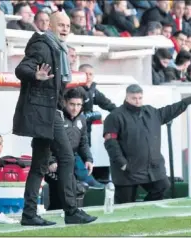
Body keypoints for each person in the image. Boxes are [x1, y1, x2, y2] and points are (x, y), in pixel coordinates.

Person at [12, 11, 97, 226]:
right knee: (67, 158)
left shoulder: (58, 48)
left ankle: (29, 214)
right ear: (50, 25)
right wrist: (35, 75)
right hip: (47, 114)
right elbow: (21, 68)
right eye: (61, 24)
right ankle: (71, 210)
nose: (66, 28)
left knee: (39, 165)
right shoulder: (43, 45)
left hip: (48, 112)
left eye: (68, 25)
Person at [103, 84, 191, 204]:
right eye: (134, 98)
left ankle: (144, 211)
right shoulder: (115, 116)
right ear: (127, 97)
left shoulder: (150, 112)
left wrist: (187, 101)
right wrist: (122, 163)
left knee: (162, 186)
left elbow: (169, 111)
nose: (137, 101)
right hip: (126, 170)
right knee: (125, 204)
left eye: (140, 98)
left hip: (152, 168)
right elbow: (110, 143)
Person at [46, 88, 103, 210]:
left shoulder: (81, 119)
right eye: (72, 104)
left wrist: (88, 159)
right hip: (54, 163)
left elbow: (83, 142)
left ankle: (70, 215)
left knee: (70, 194)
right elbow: (45, 141)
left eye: (78, 105)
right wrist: (51, 161)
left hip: (71, 162)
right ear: (65, 102)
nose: (75, 108)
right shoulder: (57, 117)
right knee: (57, 198)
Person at [78, 64, 116, 146]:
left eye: (90, 74)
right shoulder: (73, 89)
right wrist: (97, 115)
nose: (88, 77)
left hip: (86, 134)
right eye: (85, 74)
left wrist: (123, 113)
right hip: (73, 133)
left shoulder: (93, 91)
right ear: (78, 74)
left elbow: (107, 104)